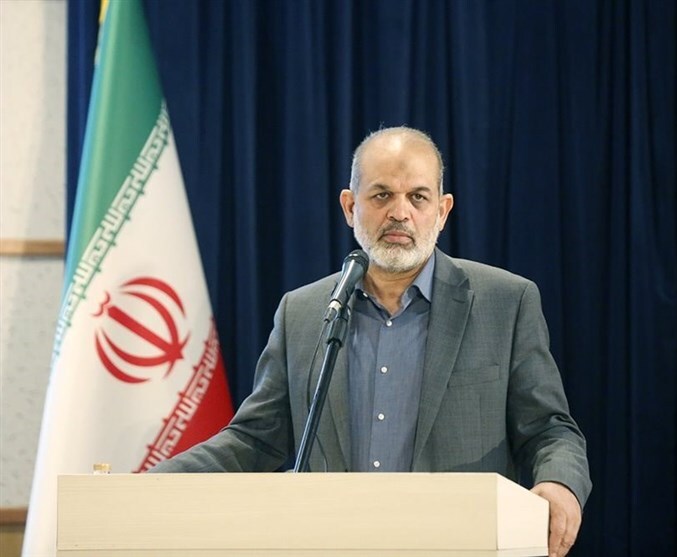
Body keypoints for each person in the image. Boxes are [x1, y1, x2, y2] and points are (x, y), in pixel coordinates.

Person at [151, 126, 591, 557]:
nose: (400, 212)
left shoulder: (505, 302)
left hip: (459, 545)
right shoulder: (302, 313)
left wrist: (559, 483)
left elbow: (548, 429)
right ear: (350, 206)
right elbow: (255, 440)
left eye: (418, 197)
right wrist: (149, 486)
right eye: (381, 195)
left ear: (442, 211)